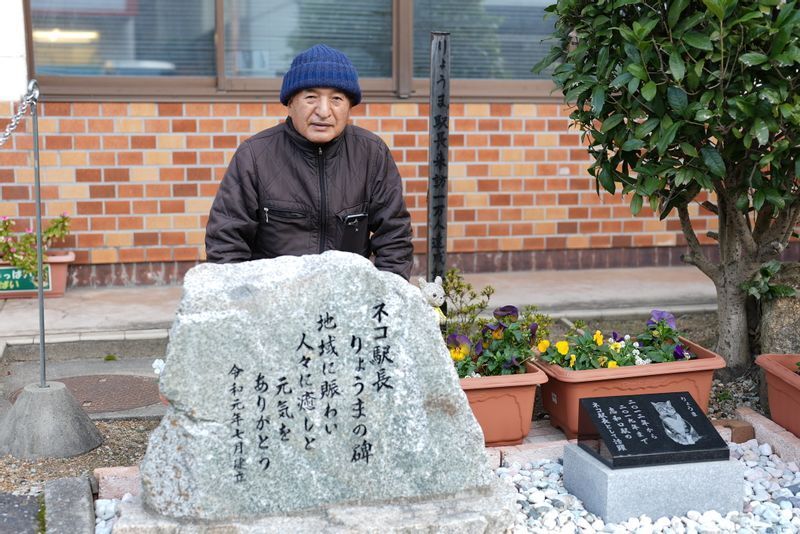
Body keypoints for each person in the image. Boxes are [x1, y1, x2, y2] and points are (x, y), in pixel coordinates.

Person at [205, 44, 413, 279]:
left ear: (350, 106)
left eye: (336, 99)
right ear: (290, 102)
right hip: (276, 299)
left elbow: (395, 238)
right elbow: (226, 244)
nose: (323, 111)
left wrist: (384, 301)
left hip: (347, 298)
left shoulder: (371, 153)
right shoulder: (254, 156)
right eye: (311, 97)